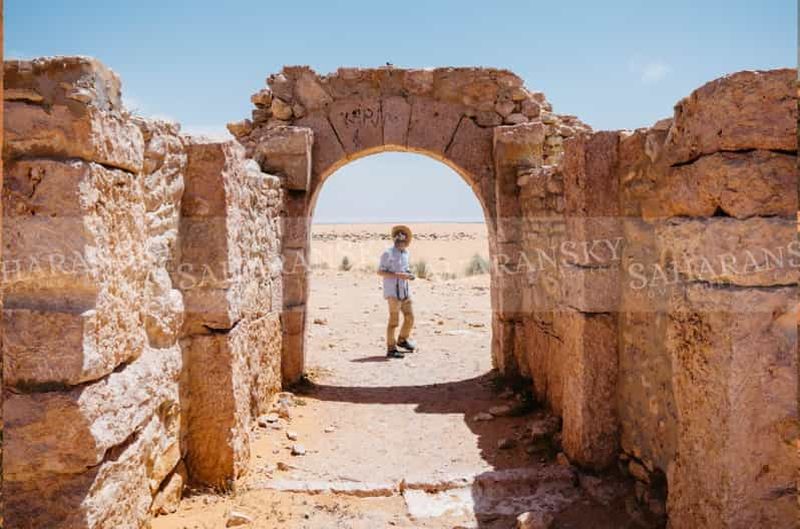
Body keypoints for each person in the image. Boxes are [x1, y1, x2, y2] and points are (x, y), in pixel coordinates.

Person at [377, 225, 417, 358]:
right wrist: (398, 275)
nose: (401, 241)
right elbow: (380, 271)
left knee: (410, 317)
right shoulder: (387, 253)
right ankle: (391, 348)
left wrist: (409, 274)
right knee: (394, 321)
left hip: (405, 291)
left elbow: (406, 269)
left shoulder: (405, 253)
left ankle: (402, 339)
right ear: (394, 239)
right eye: (398, 238)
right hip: (393, 293)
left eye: (403, 239)